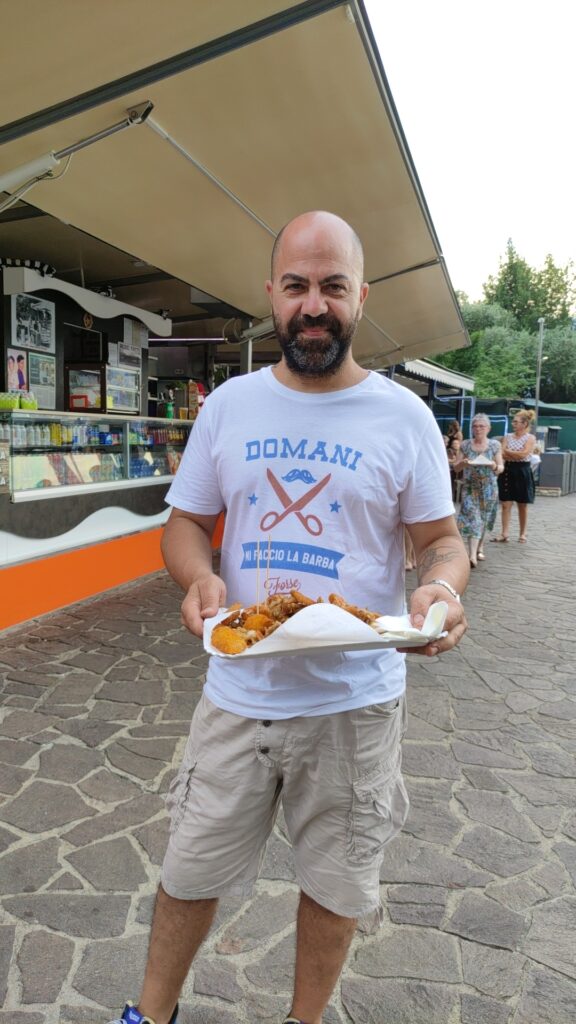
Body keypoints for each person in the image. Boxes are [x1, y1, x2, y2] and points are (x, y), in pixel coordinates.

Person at [108, 211, 469, 1024]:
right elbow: (184, 524)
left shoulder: (403, 418)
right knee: (188, 873)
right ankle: (148, 1016)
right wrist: (196, 577)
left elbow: (442, 542)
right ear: (272, 295)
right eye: (299, 286)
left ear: (360, 297)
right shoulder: (230, 406)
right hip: (238, 691)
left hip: (354, 702)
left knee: (336, 888)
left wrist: (440, 592)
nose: (316, 305)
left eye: (333, 287)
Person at [454, 414, 504, 566]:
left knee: (485, 518)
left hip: (489, 487)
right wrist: (463, 463)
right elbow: (456, 467)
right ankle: (471, 556)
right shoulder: (466, 445)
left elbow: (500, 467)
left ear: (488, 428)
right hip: (470, 487)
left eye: (482, 426)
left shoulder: (495, 445)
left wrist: (493, 465)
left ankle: (480, 547)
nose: (478, 429)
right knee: (473, 518)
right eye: (475, 426)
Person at [491, 409, 536, 544]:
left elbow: (524, 454)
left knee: (522, 504)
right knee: (506, 503)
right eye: (513, 421)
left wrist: (508, 452)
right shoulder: (507, 436)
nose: (513, 424)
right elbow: (502, 454)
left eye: (516, 422)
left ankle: (522, 533)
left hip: (523, 470)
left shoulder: (530, 438)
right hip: (508, 470)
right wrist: (513, 453)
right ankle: (504, 533)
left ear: (525, 424)